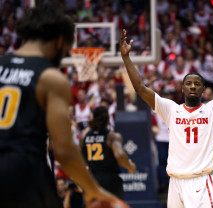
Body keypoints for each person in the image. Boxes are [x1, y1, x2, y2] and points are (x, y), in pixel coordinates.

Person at [0, 5, 128, 208]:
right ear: (59, 39)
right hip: (24, 171)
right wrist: (92, 188)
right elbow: (65, 150)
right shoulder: (51, 78)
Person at [120, 25, 213, 207]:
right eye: (189, 83)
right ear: (182, 88)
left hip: (202, 180)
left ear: (203, 89)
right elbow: (140, 88)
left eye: (197, 84)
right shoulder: (171, 109)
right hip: (175, 181)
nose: (193, 86)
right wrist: (126, 57)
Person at [81, 106, 136, 199]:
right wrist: (130, 166)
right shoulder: (112, 136)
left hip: (91, 179)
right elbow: (120, 155)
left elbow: (80, 158)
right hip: (110, 180)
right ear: (108, 120)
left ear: (93, 118)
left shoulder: (84, 136)